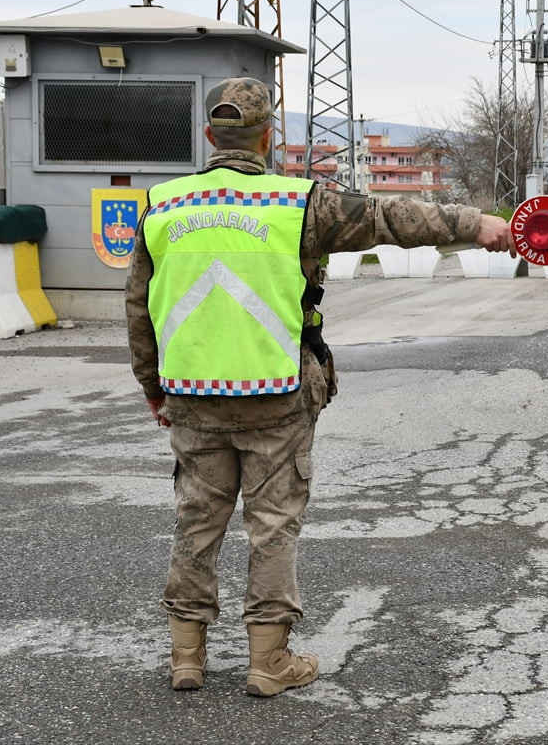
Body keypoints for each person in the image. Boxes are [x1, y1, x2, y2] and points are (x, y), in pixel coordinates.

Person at [126, 76, 514, 697]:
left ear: (208, 135)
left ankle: (186, 657)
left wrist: (152, 387)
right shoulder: (299, 203)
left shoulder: (163, 206)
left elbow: (139, 307)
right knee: (272, 523)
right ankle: (268, 660)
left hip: (192, 395)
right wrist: (476, 222)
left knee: (197, 521)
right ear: (269, 135)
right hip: (277, 395)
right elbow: (393, 218)